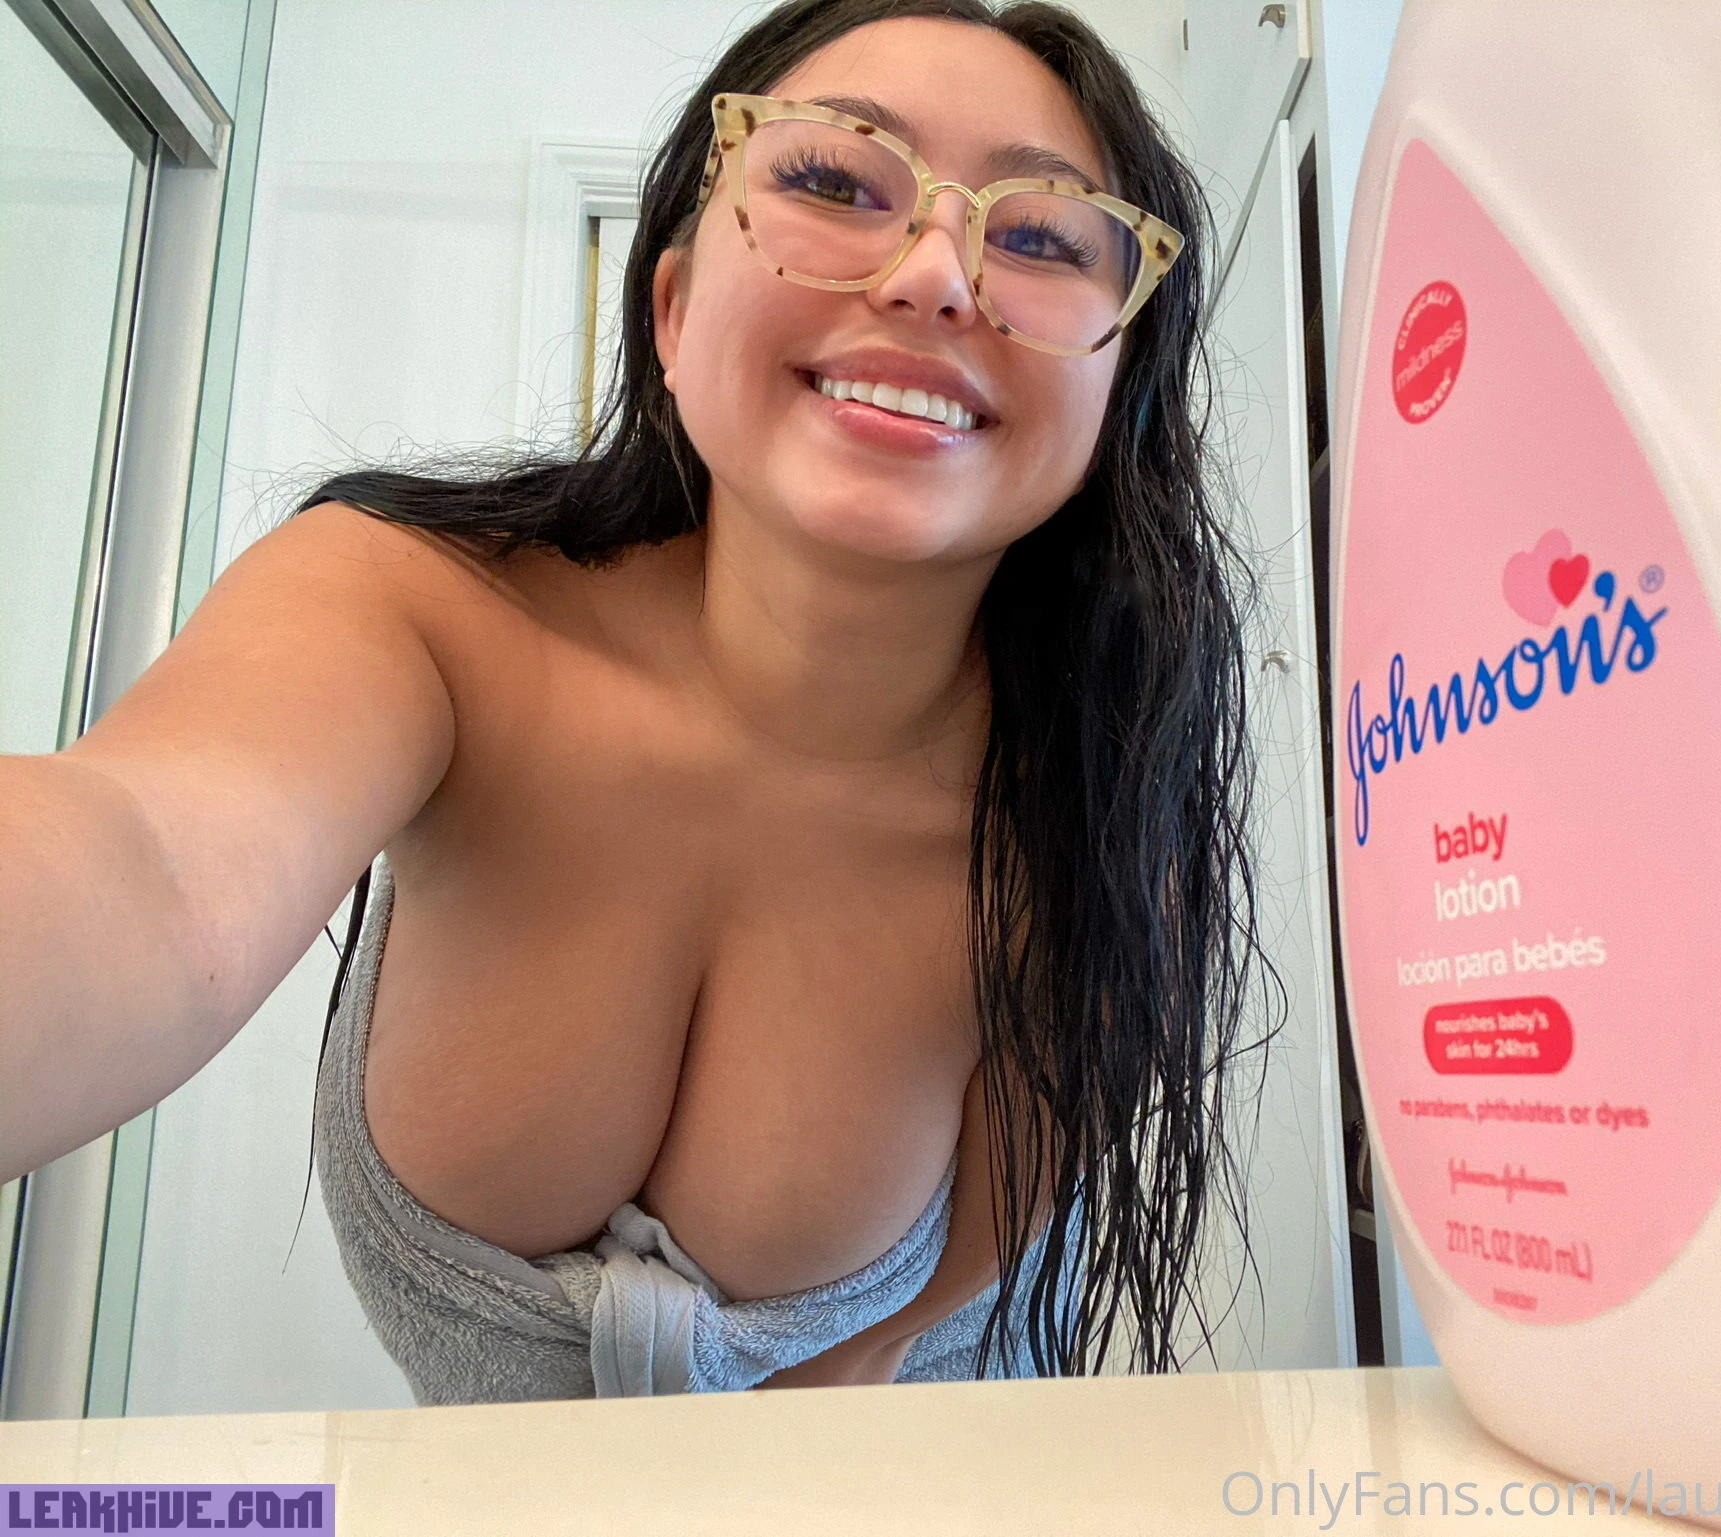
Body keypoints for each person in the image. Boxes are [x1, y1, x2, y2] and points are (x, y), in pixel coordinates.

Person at [0, 0, 1272, 1401]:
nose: (935, 274)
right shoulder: (411, 612)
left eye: (1041, 238)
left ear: (1114, 395)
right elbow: (148, 861)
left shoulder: (1098, 795)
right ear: (672, 310)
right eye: (834, 179)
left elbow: (903, 1339)